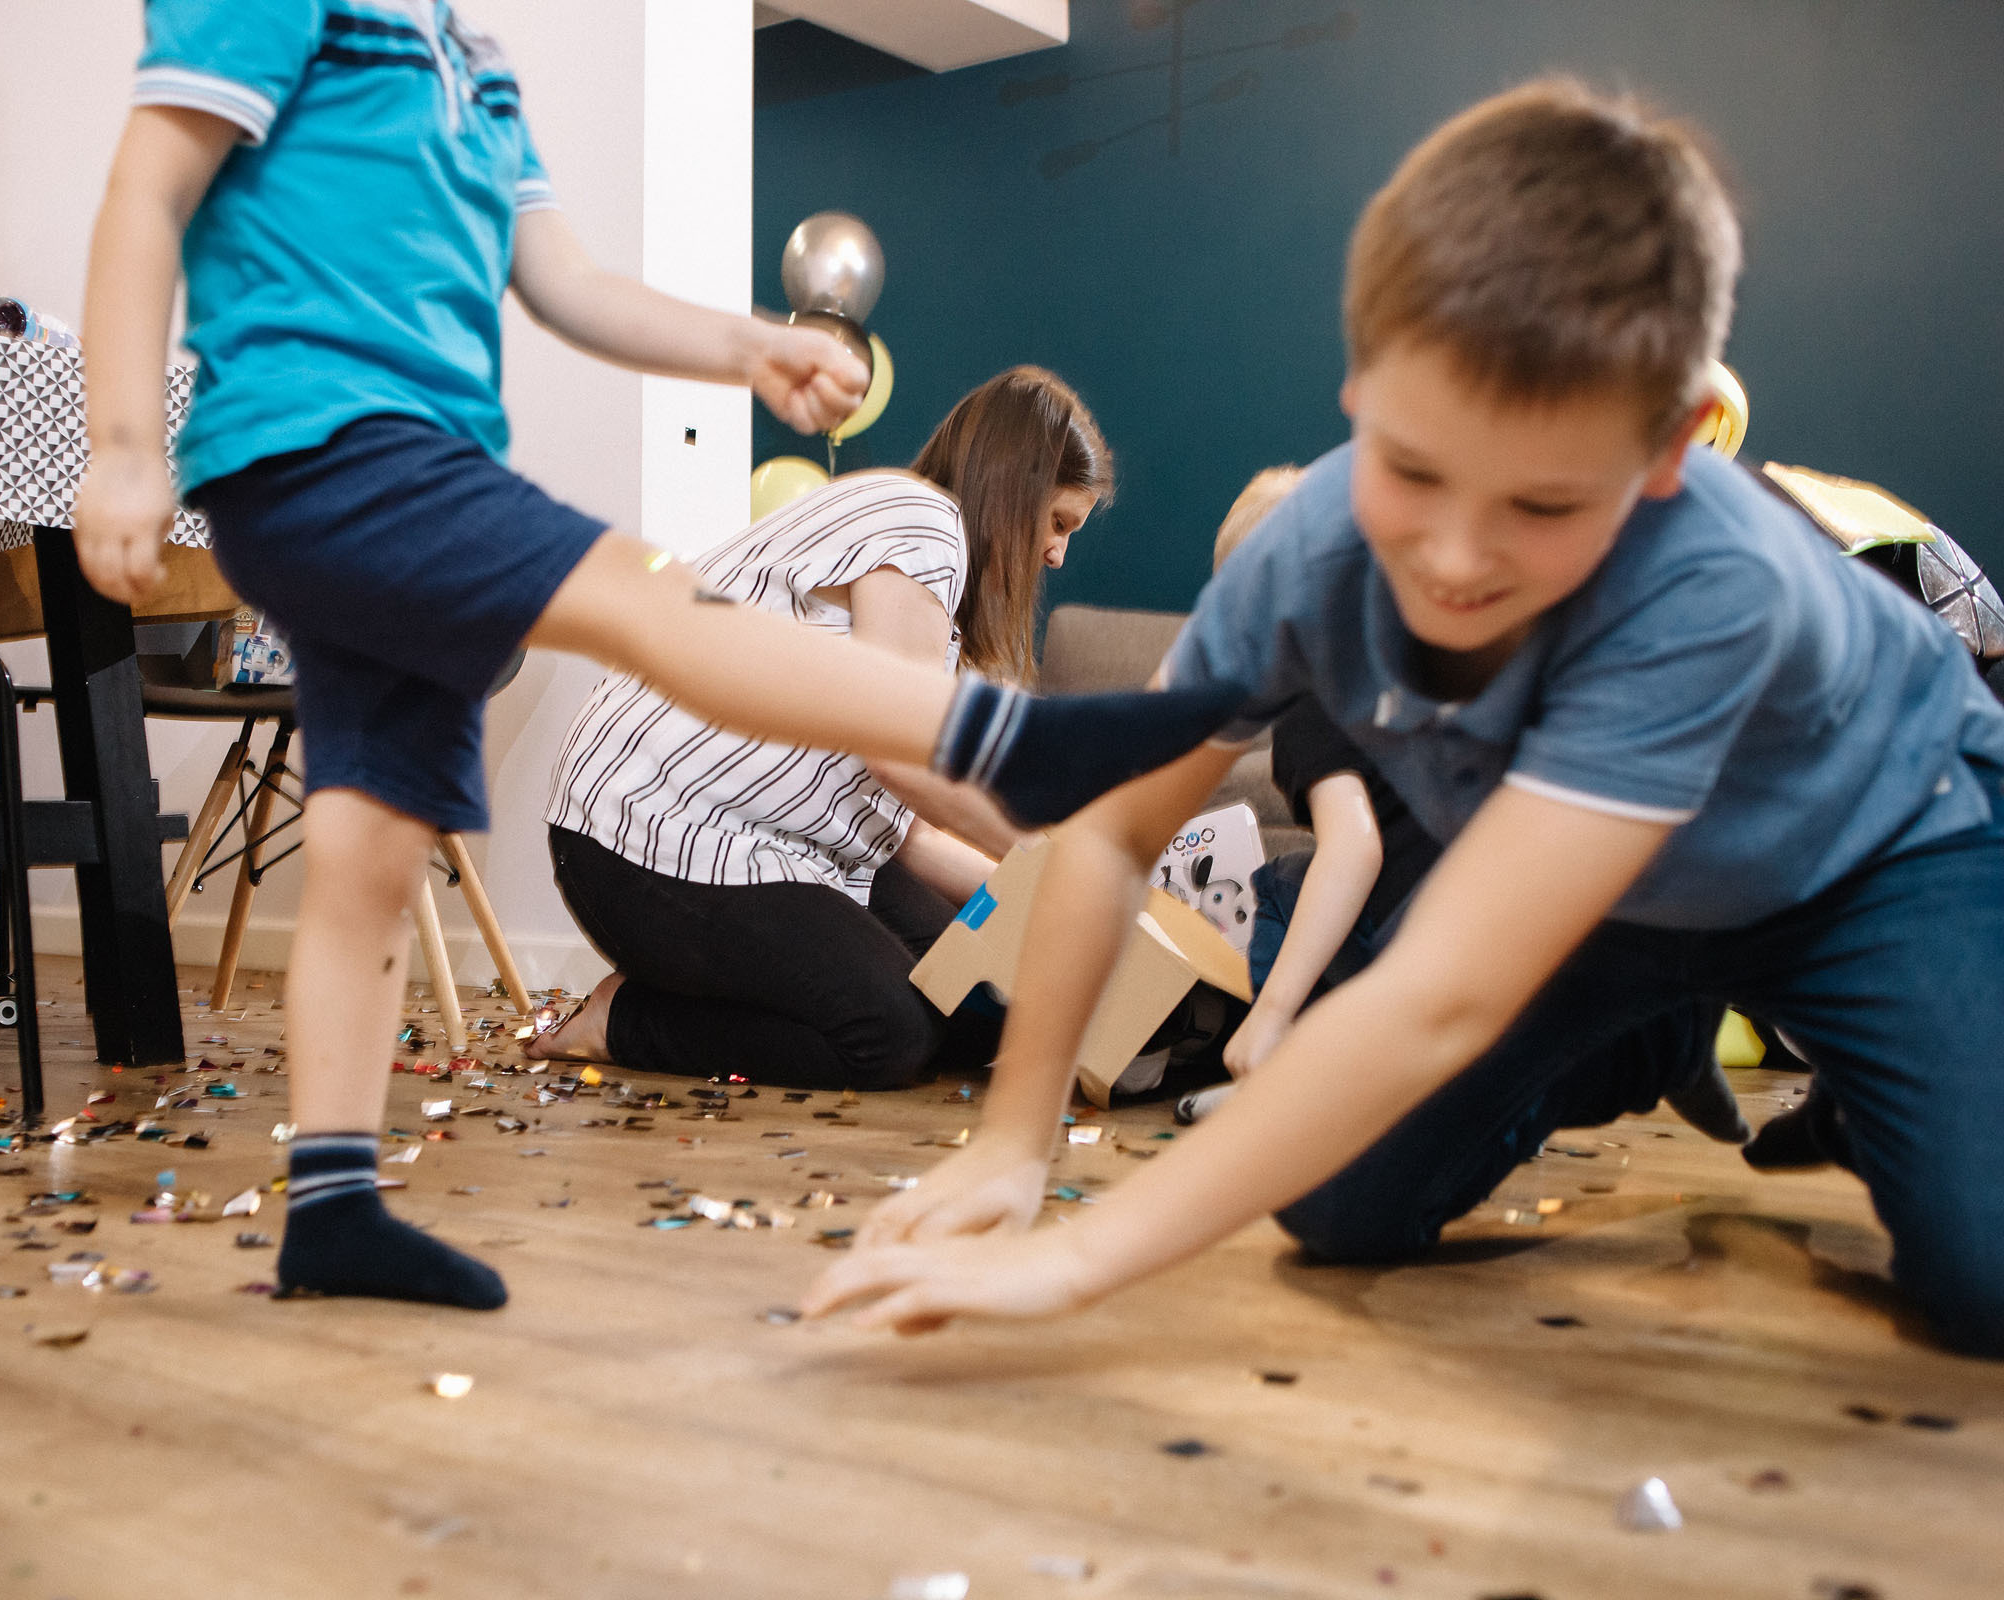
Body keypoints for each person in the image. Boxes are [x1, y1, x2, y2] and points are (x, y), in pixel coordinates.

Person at [804, 79, 2004, 1360]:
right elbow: (1109, 834)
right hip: (1609, 901)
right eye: (1413, 472)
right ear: (1359, 391)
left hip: (1879, 853)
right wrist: (1011, 1140)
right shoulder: (1302, 553)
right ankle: (1639, 1040)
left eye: (1543, 508)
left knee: (1984, 1271)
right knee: (1337, 1205)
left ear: (1669, 457)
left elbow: (1440, 998)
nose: (1455, 557)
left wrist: (1081, 1257)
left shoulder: (1717, 585)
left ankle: (1896, 1081)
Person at [74, 3, 1241, 1311]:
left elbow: (567, 283)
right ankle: (1019, 744)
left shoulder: (477, 65)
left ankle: (333, 1207)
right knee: (656, 603)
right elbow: (147, 186)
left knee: (367, 856)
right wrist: (122, 442)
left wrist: (748, 346)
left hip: (421, 464)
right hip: (332, 443)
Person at [531, 368, 1108, 1090]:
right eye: (1058, 523)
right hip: (651, 831)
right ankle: (625, 1020)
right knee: (891, 1035)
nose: (1057, 555)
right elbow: (906, 763)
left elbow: (909, 829)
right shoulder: (923, 525)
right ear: (1015, 487)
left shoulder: (933, 592)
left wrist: (1034, 892)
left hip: (771, 843)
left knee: (968, 1002)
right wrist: (1056, 861)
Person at [1187, 468, 1747, 1144]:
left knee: (1275, 888)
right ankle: (1621, 1049)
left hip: (1431, 935)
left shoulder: (1310, 690)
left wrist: (1270, 1013)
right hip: (1528, 913)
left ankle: (1290, 1067)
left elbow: (1354, 847)